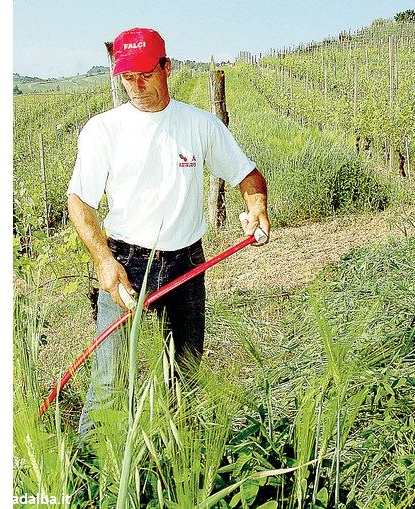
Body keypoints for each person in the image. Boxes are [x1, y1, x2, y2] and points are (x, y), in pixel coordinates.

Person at [66, 27, 270, 438]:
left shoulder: (199, 125)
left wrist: (256, 207)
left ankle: (180, 461)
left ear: (167, 67)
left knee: (187, 376)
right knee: (110, 381)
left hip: (187, 265)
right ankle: (89, 479)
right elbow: (80, 202)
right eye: (127, 77)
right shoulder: (103, 130)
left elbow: (247, 175)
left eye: (146, 73)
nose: (137, 86)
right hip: (126, 265)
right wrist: (104, 261)